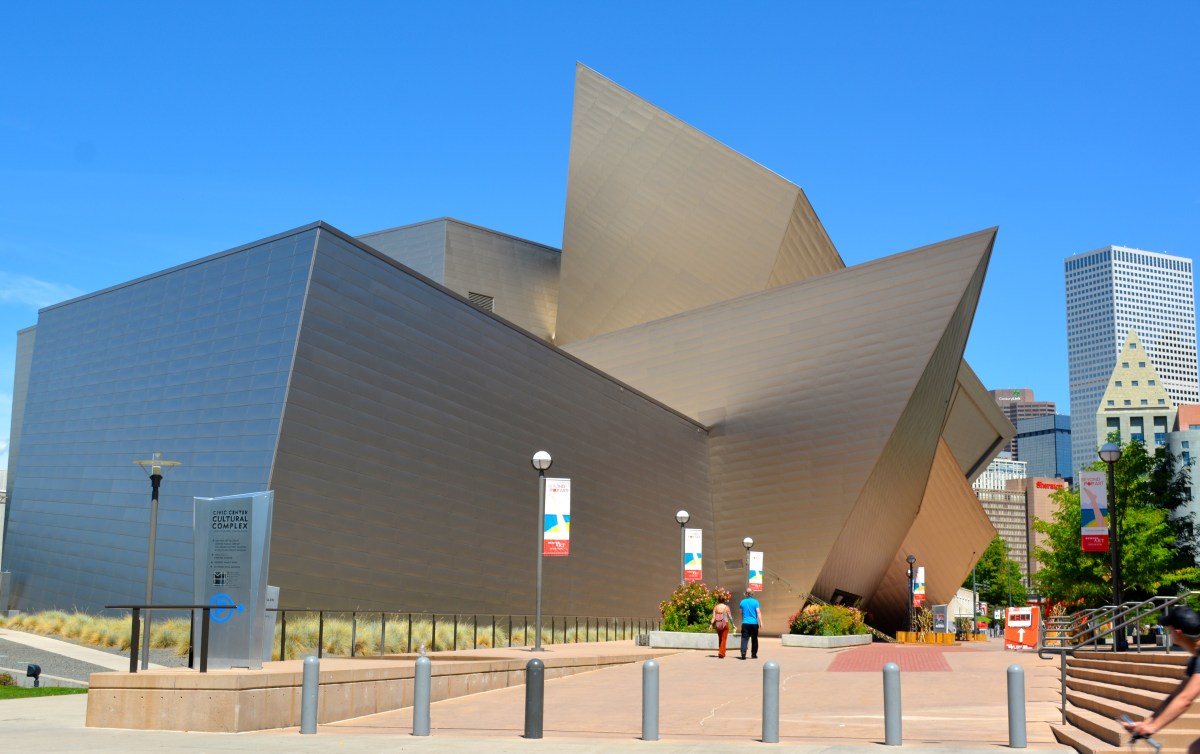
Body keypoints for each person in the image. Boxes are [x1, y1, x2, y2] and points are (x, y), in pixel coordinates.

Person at [1122, 606, 1200, 752]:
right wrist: (1147, 723)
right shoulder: (1195, 658)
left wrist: (1153, 727)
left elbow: (1186, 699)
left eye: (1169, 630)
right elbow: (1176, 696)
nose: (1168, 633)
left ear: (1178, 633)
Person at [739, 589, 762, 659]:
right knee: (754, 639)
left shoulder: (742, 602)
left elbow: (741, 613)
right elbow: (758, 612)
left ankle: (743, 653)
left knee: (744, 639)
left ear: (746, 594)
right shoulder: (755, 602)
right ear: (752, 594)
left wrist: (742, 621)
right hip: (754, 623)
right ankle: (754, 654)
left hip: (745, 623)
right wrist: (761, 622)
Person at [710, 594, 733, 658]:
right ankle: (721, 653)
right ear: (724, 600)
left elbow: (713, 617)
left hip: (718, 623)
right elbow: (730, 617)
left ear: (718, 600)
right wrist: (733, 625)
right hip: (725, 623)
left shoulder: (715, 607)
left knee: (720, 638)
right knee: (724, 639)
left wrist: (711, 625)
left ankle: (721, 651)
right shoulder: (726, 607)